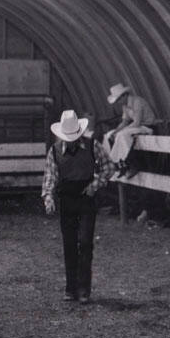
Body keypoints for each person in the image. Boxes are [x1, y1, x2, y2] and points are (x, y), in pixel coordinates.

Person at [42, 109, 116, 304]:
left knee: (85, 242)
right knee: (69, 244)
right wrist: (48, 197)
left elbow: (109, 167)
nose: (72, 141)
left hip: (86, 198)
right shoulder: (55, 151)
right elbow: (50, 176)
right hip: (67, 199)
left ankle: (84, 289)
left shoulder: (93, 146)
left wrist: (95, 185)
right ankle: (70, 288)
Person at [103, 83, 156, 178]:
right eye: (117, 100)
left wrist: (119, 132)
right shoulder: (125, 106)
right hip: (137, 127)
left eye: (119, 99)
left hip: (147, 126)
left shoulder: (137, 102)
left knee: (122, 135)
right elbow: (125, 121)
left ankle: (133, 164)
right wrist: (115, 132)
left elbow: (137, 122)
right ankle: (119, 164)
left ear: (125, 95)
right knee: (108, 135)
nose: (118, 102)